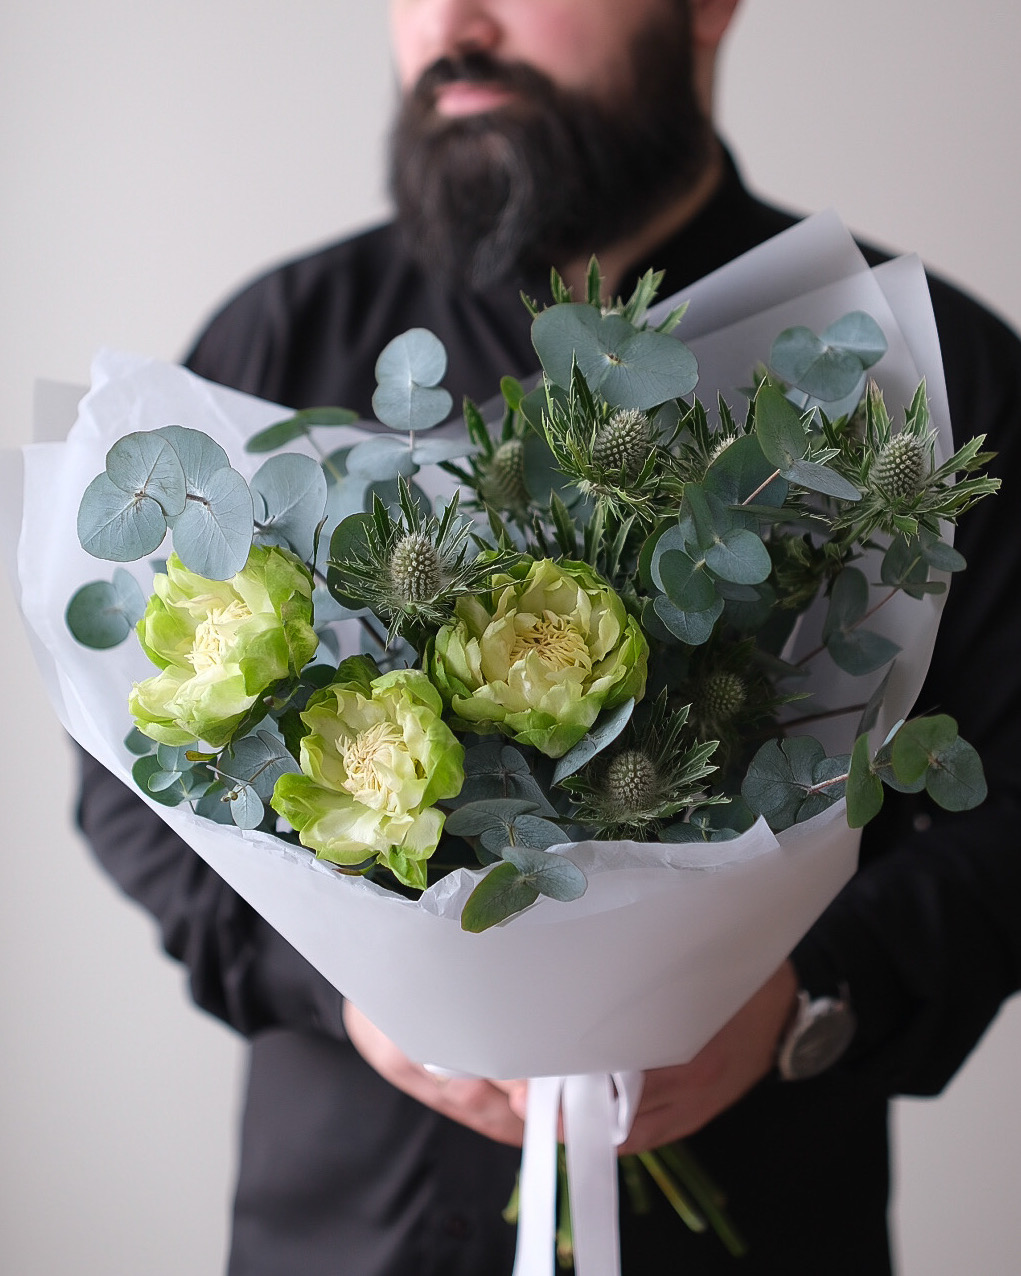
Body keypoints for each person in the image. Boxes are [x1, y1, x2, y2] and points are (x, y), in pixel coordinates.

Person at [75, 1, 1021, 1272]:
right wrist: (345, 994)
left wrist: (804, 1001)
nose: (453, 24)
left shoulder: (918, 378)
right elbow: (133, 774)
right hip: (348, 1232)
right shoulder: (275, 345)